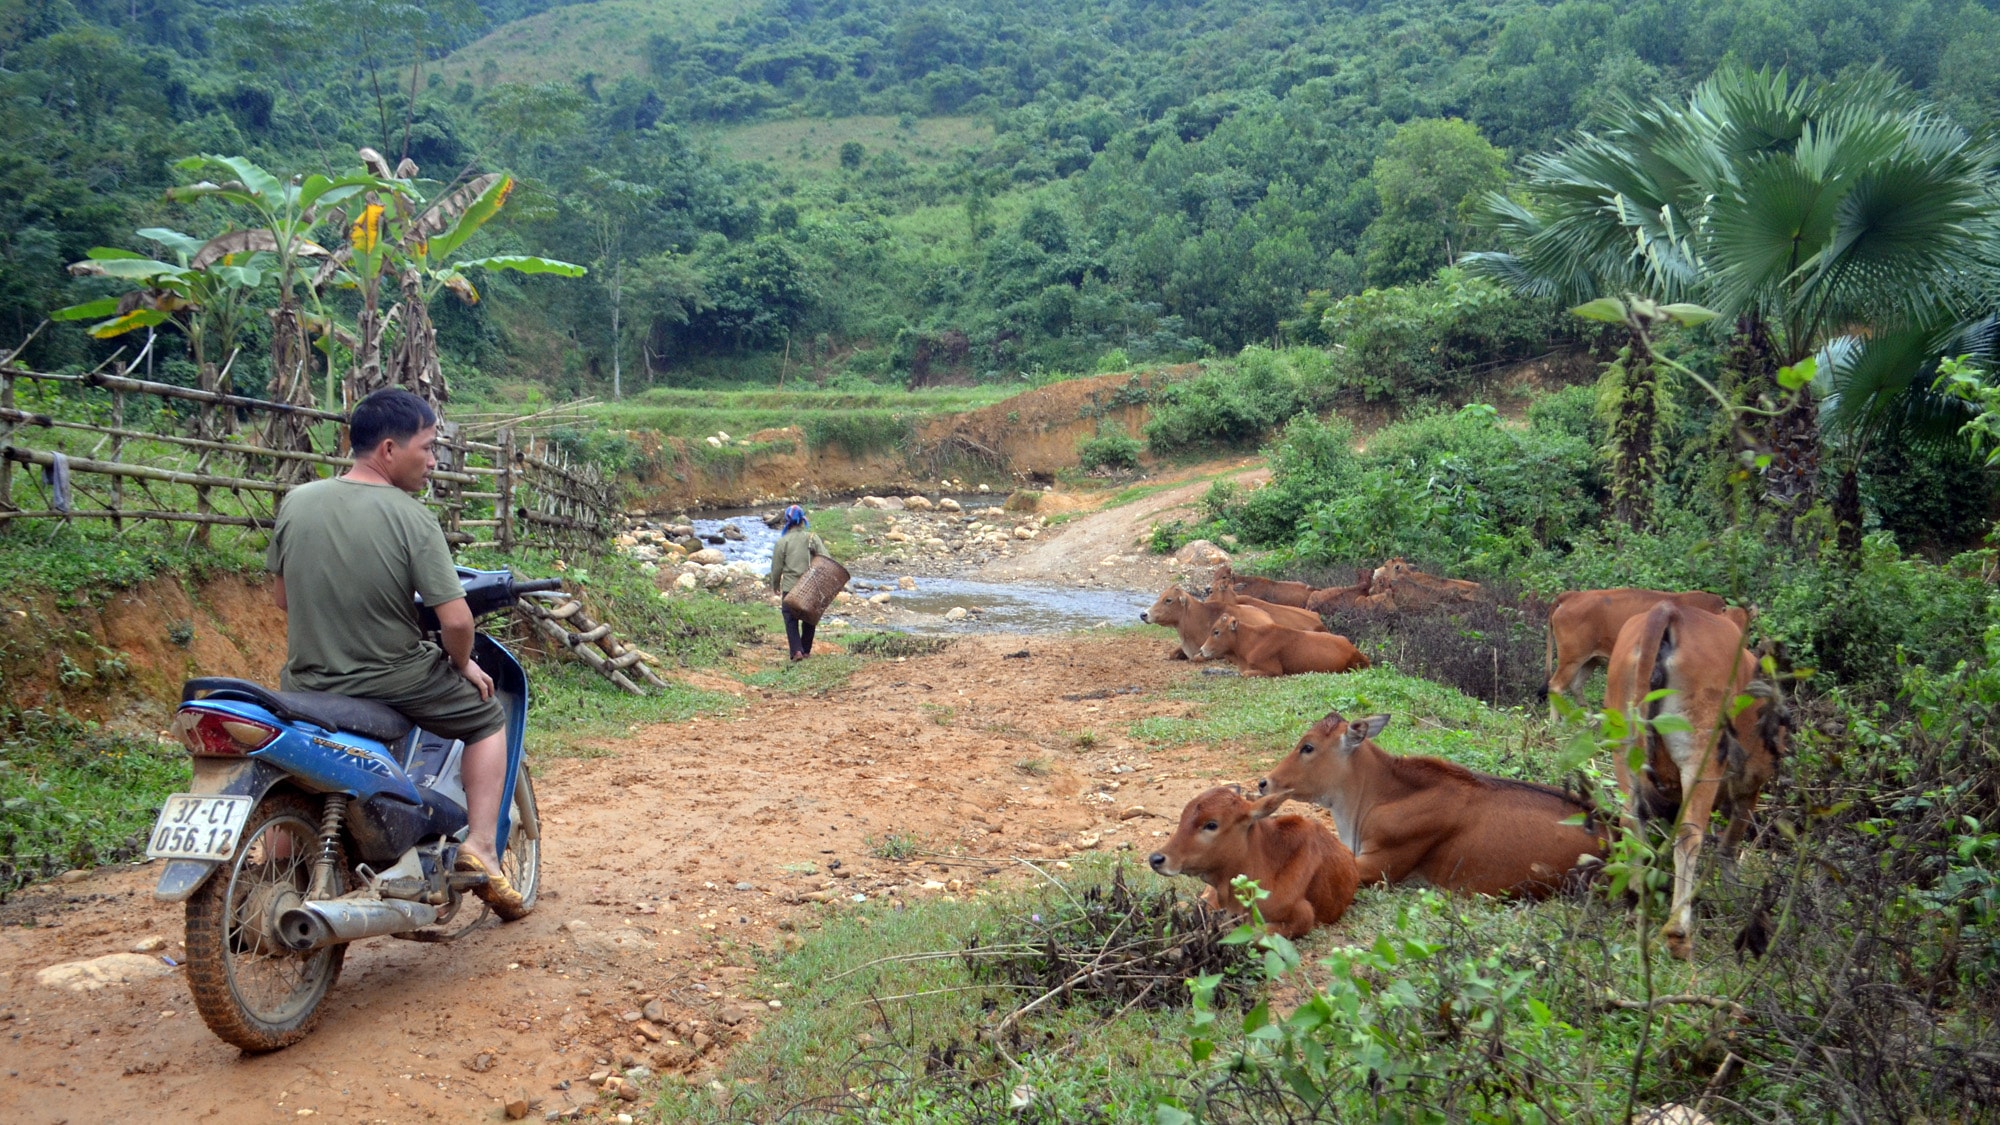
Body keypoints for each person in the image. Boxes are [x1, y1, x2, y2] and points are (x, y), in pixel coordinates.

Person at [265, 388, 524, 913]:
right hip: (391, 678)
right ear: (388, 449)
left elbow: (281, 598)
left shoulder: (297, 502)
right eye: (426, 448)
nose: (432, 461)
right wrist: (461, 662)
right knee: (485, 716)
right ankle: (479, 848)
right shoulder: (411, 517)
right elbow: (454, 619)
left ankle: (273, 873)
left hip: (308, 684)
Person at [768, 504, 828, 661]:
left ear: (787, 521)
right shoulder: (812, 538)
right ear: (803, 520)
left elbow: (776, 568)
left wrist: (775, 586)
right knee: (810, 618)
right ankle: (806, 650)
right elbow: (825, 559)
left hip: (790, 587)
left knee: (790, 618)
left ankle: (796, 651)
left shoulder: (782, 542)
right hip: (810, 586)